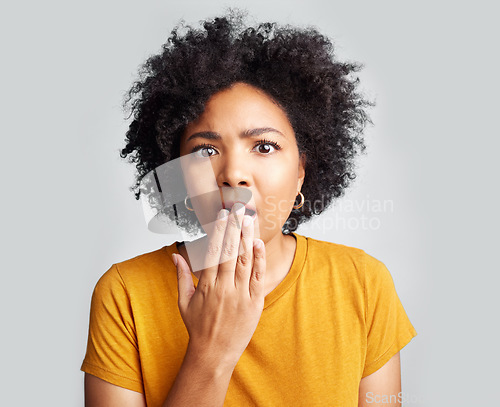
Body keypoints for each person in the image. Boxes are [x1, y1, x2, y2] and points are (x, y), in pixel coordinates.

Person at [81, 10, 417, 407]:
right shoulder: (125, 294)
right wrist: (211, 352)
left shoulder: (364, 284)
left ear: (301, 174)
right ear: (180, 177)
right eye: (206, 150)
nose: (234, 174)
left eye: (264, 146)